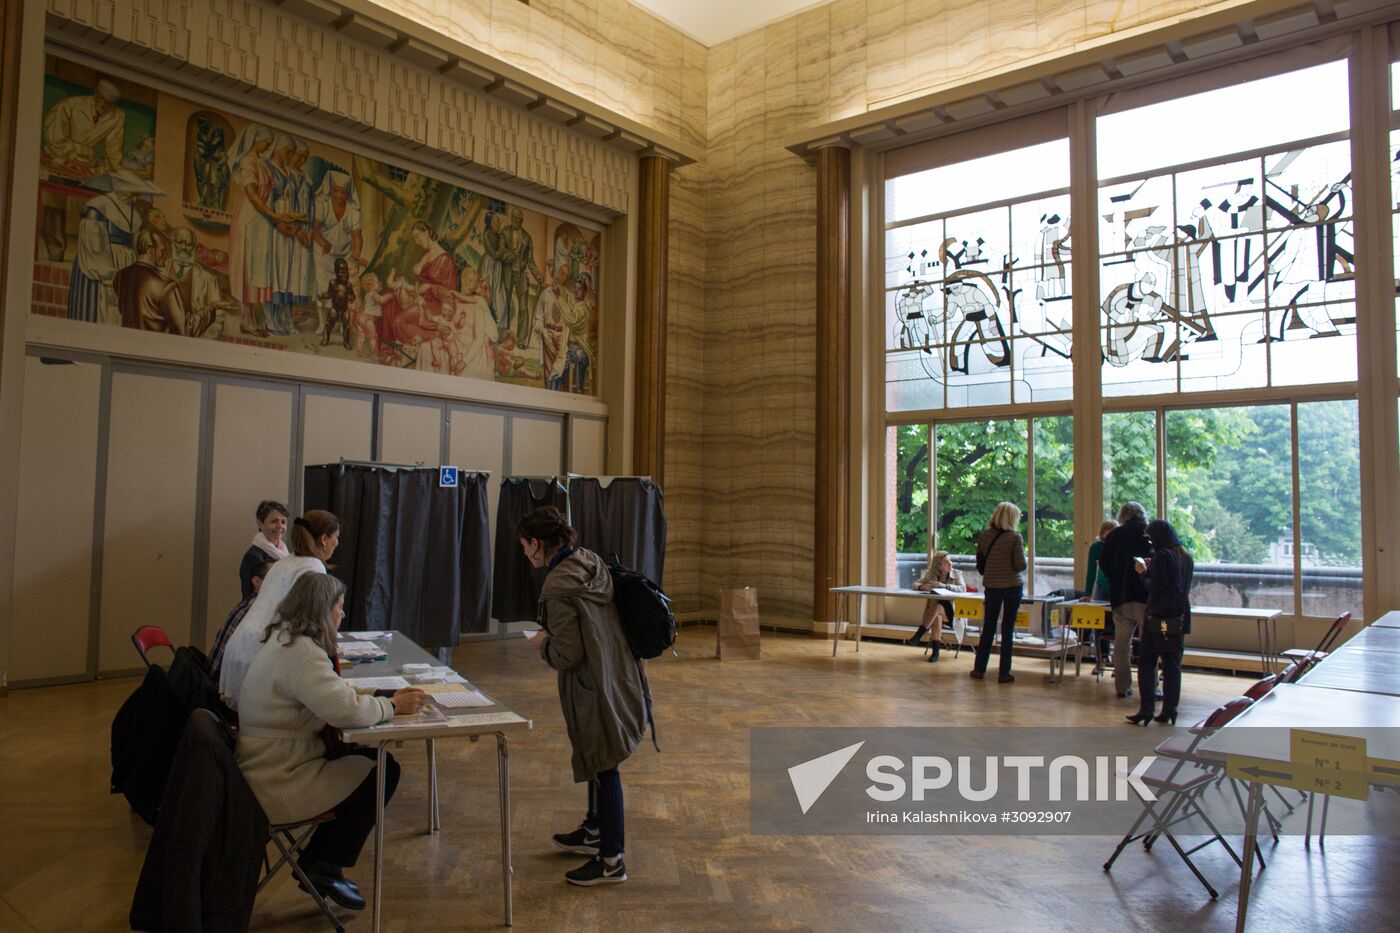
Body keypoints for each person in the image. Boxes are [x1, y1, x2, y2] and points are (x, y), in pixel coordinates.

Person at [236, 573, 426, 910]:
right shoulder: (302, 654)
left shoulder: (286, 640)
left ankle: (322, 861)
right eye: (338, 608)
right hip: (279, 777)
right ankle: (323, 864)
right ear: (321, 611)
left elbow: (330, 692)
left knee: (370, 762)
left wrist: (381, 695)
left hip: (269, 762)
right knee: (382, 769)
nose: (341, 615)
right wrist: (392, 706)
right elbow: (345, 711)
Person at [519, 506, 646, 886]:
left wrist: (543, 644)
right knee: (598, 756)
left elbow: (568, 653)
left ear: (537, 543)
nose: (525, 555)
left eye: (525, 546)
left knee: (605, 767)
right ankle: (594, 829)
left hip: (592, 687)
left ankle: (611, 860)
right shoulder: (587, 561)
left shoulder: (558, 585)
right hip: (618, 675)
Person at [219, 509, 340, 708]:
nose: (337, 543)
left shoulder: (286, 561)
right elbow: (312, 623)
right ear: (325, 539)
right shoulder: (313, 567)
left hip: (242, 650)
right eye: (336, 537)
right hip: (258, 654)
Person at [1126, 520, 1193, 726]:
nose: (1150, 541)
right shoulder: (1185, 556)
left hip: (1157, 617)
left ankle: (1146, 710)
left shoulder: (1162, 557)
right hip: (1178, 618)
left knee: (1146, 664)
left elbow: (1153, 587)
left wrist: (1143, 572)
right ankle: (1170, 709)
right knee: (1172, 667)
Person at [1099, 502, 1153, 699]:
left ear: (1122, 516)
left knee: (1121, 645)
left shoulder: (1115, 535)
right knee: (1149, 644)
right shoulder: (1148, 533)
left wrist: (1116, 577)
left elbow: (1103, 562)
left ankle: (1122, 687)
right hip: (1144, 596)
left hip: (1120, 596)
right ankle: (1150, 686)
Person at [971, 502, 1027, 683]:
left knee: (988, 628)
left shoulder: (984, 536)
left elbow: (980, 565)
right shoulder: (1015, 537)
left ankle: (979, 669)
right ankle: (1004, 673)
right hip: (1012, 587)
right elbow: (1020, 565)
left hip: (992, 586)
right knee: (1007, 629)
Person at [210, 559, 272, 679]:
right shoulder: (257, 611)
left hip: (214, 680)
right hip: (220, 688)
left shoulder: (249, 603)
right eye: (275, 577)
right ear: (256, 581)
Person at [904, 550, 966, 663]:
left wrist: (945, 586)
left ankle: (919, 634)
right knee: (937, 616)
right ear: (939, 565)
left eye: (950, 560)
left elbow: (963, 588)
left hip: (954, 613)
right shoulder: (932, 575)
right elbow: (915, 584)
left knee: (938, 607)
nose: (950, 563)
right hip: (938, 613)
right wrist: (923, 587)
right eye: (946, 562)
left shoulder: (957, 574)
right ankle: (935, 652)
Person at [1084, 520, 1116, 676]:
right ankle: (1100, 660)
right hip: (1101, 587)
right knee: (1098, 625)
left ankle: (1118, 661)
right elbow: (1091, 571)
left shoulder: (1120, 547)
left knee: (1119, 625)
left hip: (1117, 587)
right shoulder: (1096, 548)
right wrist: (1088, 593)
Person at [239, 500, 290, 599]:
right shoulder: (253, 556)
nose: (280, 526)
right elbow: (249, 595)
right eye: (274, 521)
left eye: (283, 522)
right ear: (259, 523)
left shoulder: (285, 553)